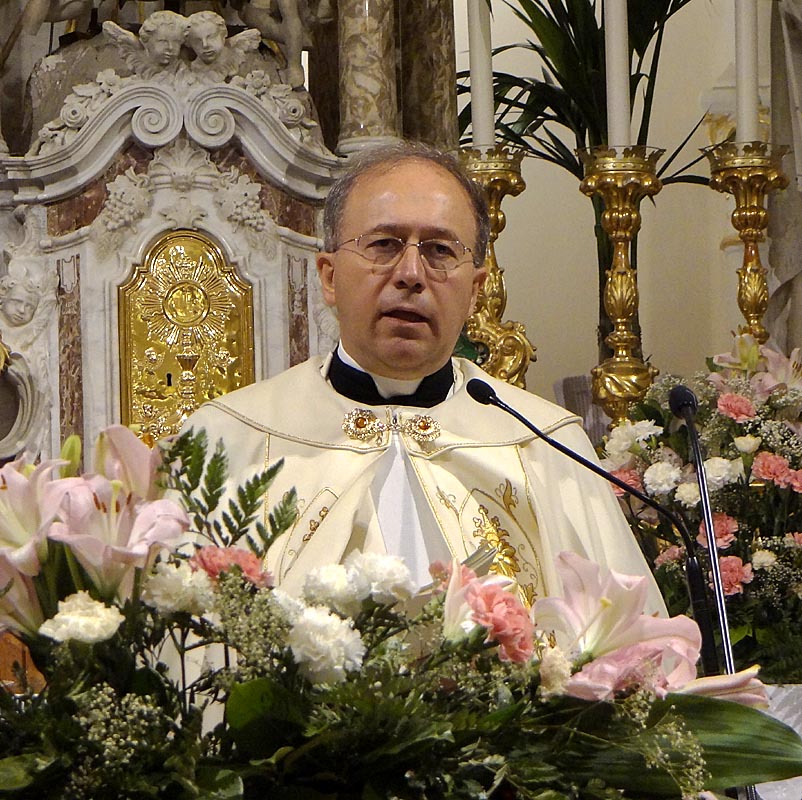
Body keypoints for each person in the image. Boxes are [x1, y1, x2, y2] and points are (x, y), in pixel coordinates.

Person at [184, 141, 665, 612]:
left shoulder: (546, 447)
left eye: (439, 250)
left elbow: (625, 643)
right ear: (328, 277)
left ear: (475, 291)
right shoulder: (232, 440)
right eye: (383, 245)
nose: (411, 273)